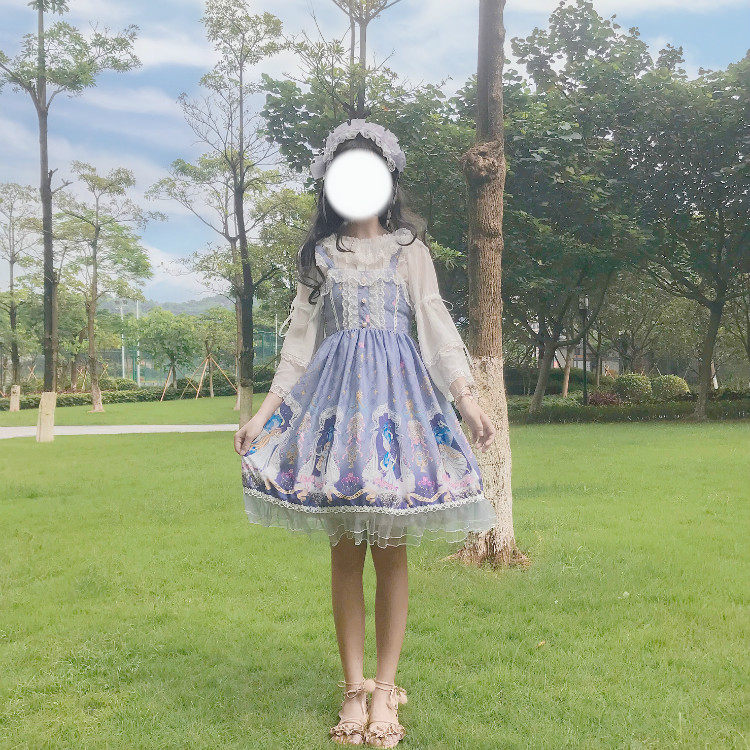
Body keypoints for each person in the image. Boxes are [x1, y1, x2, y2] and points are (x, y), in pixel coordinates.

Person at [234, 119, 497, 747]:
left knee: (392, 552)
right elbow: (299, 343)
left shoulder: (410, 252)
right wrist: (264, 415)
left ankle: (385, 689)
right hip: (338, 418)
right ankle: (354, 688)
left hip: (399, 415)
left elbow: (435, 325)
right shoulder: (321, 258)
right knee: (345, 553)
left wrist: (467, 398)